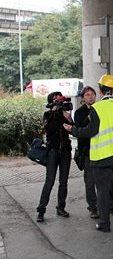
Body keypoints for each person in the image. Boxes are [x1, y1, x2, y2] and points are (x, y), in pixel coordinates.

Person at [63, 74, 113, 232]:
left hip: (103, 155)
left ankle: (104, 223)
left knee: (103, 190)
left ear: (100, 90)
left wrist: (73, 129)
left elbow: (91, 130)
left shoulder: (97, 108)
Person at [73, 86, 113, 219]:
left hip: (104, 149)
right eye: (87, 95)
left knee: (108, 179)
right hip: (88, 151)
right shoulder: (79, 112)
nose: (90, 97)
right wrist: (89, 117)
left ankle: (111, 205)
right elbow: (79, 129)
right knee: (90, 181)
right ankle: (93, 207)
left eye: (92, 94)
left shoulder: (102, 108)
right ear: (83, 98)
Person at [36, 92, 74, 222]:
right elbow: (49, 130)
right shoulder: (48, 114)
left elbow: (72, 128)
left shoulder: (65, 112)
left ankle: (61, 207)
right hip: (52, 151)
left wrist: (68, 118)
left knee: (63, 182)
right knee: (50, 181)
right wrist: (53, 113)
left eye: (59, 98)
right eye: (55, 99)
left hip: (65, 152)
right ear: (51, 102)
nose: (58, 101)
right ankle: (41, 210)